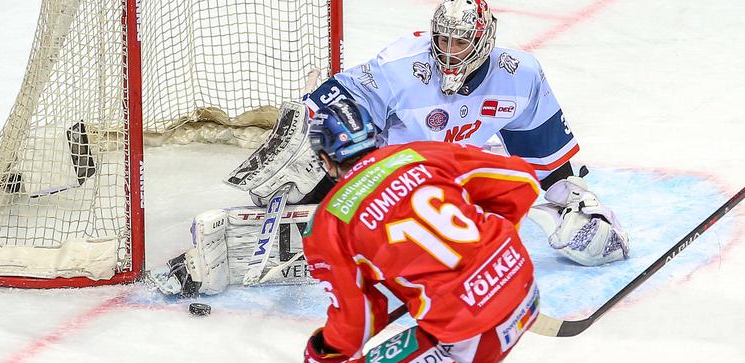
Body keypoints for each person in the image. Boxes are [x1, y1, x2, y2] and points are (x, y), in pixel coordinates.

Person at [154, 0, 628, 296]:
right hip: (381, 174)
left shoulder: (520, 76)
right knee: (312, 147)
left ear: (483, 40)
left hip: (445, 187)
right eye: (441, 38)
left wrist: (575, 204)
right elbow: (324, 103)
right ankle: (290, 210)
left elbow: (543, 157)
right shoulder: (404, 64)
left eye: (459, 41)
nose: (447, 49)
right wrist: (332, 160)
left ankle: (337, 231)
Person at [275, 97, 540, 363]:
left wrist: (324, 352)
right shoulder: (418, 154)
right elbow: (522, 182)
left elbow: (356, 323)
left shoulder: (330, 222)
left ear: (326, 160)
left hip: (468, 332)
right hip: (524, 286)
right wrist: (489, 250)